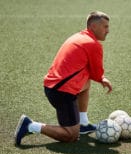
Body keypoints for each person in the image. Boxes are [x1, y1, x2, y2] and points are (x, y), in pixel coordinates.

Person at [14, 11, 112, 145]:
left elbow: (92, 73)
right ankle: (31, 125)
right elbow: (96, 73)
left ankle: (83, 123)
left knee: (86, 80)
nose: (108, 31)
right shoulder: (93, 44)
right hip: (61, 92)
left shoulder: (79, 36)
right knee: (71, 135)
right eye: (105, 27)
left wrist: (101, 78)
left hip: (53, 86)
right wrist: (102, 78)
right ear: (93, 26)